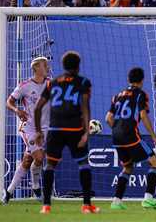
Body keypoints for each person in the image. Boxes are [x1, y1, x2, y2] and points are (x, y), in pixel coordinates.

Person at [34, 51, 99, 214]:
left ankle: (46, 206)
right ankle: (86, 205)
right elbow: (85, 107)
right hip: (74, 128)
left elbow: (37, 108)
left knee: (50, 165)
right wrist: (86, 132)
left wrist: (38, 131)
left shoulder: (53, 82)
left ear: (63, 66)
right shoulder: (83, 82)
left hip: (55, 129)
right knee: (83, 164)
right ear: (78, 66)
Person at [106, 67, 156, 210]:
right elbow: (143, 116)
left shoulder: (117, 96)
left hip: (116, 136)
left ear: (128, 80)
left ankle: (116, 201)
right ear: (142, 81)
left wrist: (117, 130)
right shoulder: (140, 95)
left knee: (128, 167)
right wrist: (153, 136)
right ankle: (148, 199)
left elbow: (108, 118)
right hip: (130, 135)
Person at [2, 57, 50, 204]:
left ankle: (8, 192)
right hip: (29, 128)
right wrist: (17, 110)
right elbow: (8, 102)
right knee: (40, 158)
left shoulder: (51, 84)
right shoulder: (25, 86)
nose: (47, 67)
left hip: (45, 128)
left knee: (28, 160)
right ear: (36, 68)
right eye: (45, 65)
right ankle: (35, 186)